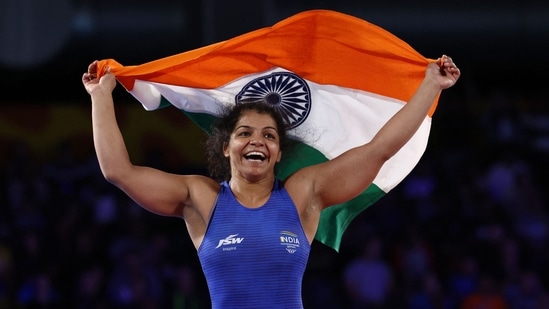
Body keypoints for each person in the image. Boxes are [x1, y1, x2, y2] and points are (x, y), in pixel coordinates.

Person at [82, 55, 460, 308]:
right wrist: (101, 96)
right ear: (226, 147)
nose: (257, 141)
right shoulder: (200, 198)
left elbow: (380, 149)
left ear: (279, 153)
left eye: (269, 136)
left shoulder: (303, 195)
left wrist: (431, 85)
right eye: (244, 133)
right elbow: (118, 170)